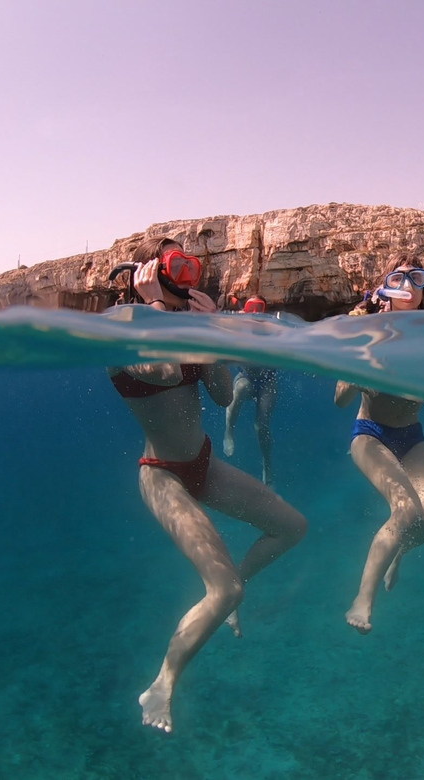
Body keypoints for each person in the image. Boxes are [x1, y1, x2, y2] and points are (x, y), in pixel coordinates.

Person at [108, 237, 308, 733]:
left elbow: (221, 396)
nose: (186, 276)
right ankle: (162, 682)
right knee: (224, 591)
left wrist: (211, 330)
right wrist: (159, 308)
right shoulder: (122, 323)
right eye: (174, 265)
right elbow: (163, 368)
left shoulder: (187, 325)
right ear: (149, 270)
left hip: (204, 462)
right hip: (161, 475)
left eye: (190, 266)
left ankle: (230, 597)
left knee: (291, 527)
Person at [335, 256, 424, 634]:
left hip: (411, 437)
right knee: (405, 511)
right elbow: (340, 400)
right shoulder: (368, 331)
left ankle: (397, 556)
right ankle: (362, 600)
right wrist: (361, 355)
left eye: (418, 278)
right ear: (385, 289)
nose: (409, 285)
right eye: (398, 278)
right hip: (371, 434)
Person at [223, 296, 278, 485]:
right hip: (246, 376)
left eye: (258, 308)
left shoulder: (273, 329)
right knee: (239, 390)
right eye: (250, 308)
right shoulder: (238, 328)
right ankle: (229, 430)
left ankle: (266, 463)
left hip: (268, 380)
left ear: (266, 311)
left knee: (262, 424)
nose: (254, 313)